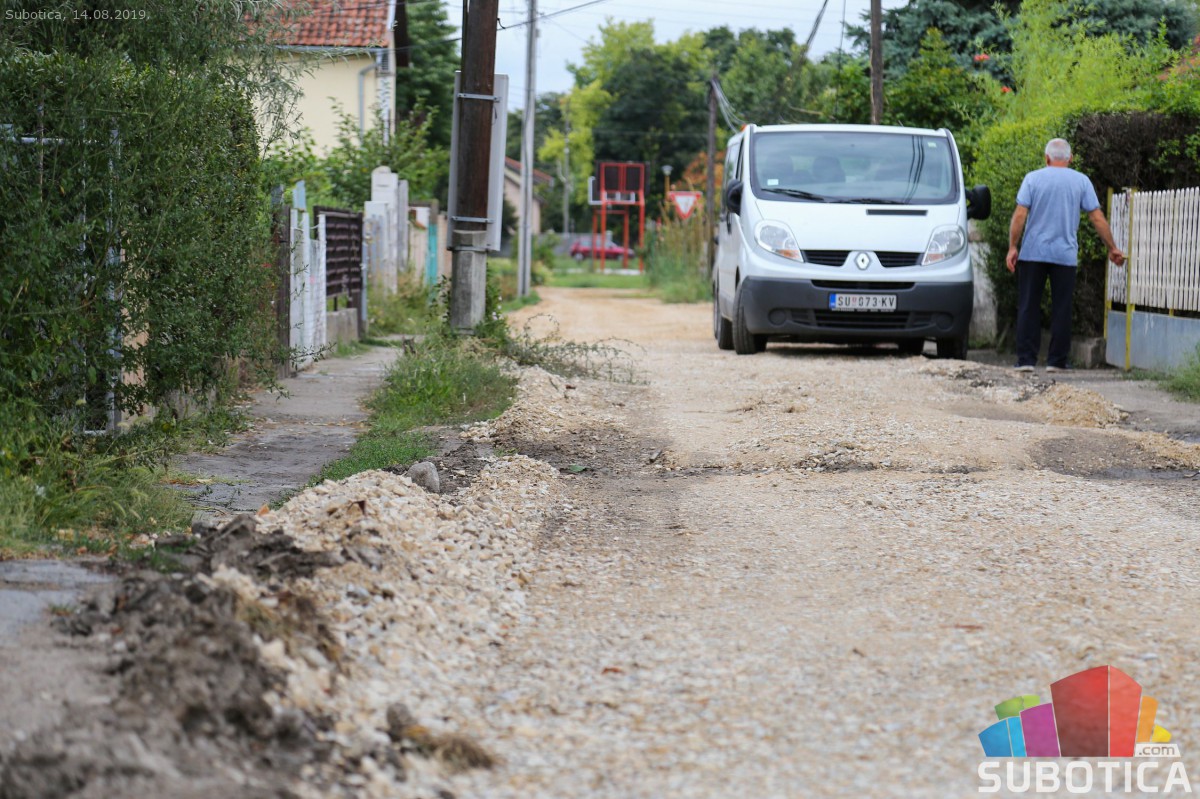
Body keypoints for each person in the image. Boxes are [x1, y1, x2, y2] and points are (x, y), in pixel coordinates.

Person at [1006, 138, 1126, 372]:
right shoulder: (1081, 181)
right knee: (1062, 308)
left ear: (1046, 158)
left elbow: (1020, 215)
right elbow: (1097, 218)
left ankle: (1026, 360)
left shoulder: (1032, 179)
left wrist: (1013, 246)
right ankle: (1057, 361)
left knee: (1029, 305)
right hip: (1065, 255)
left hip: (1033, 253)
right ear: (1070, 158)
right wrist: (1112, 247)